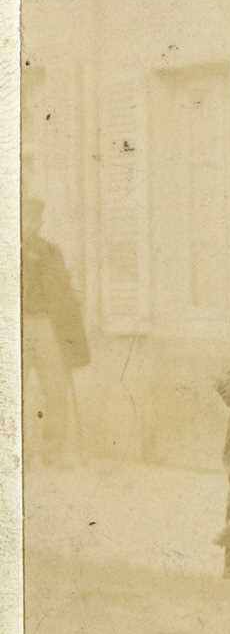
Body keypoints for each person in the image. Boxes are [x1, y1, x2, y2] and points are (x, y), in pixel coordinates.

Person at [21, 197, 89, 467]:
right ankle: (18, 453)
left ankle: (52, 451)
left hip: (47, 326)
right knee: (13, 391)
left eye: (34, 219)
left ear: (40, 222)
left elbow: (63, 288)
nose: (29, 224)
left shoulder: (51, 251)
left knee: (55, 389)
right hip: (15, 326)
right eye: (25, 218)